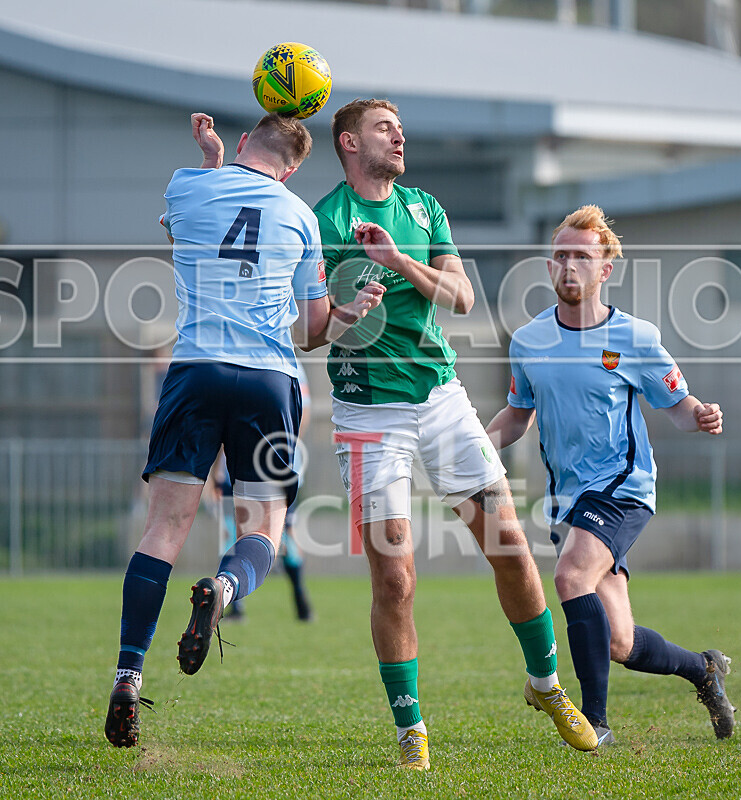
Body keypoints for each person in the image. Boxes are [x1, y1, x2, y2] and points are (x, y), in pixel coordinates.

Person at [192, 100, 598, 769]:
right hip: (366, 419)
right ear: (350, 142)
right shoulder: (320, 220)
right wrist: (344, 315)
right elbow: (306, 331)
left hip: (442, 401)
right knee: (395, 580)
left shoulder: (422, 207)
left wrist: (399, 264)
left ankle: (547, 687)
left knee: (510, 547)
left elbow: (463, 298)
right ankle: (412, 731)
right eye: (385, 128)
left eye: (399, 126)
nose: (400, 135)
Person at [104, 113, 384, 749]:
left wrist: (207, 162)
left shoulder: (187, 184)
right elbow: (311, 332)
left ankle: (127, 676)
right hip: (266, 378)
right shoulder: (301, 217)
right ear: (291, 169)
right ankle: (225, 588)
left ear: (237, 145)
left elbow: (194, 222)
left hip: (195, 369)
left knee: (165, 527)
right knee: (263, 530)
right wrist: (349, 311)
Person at [486, 205, 736, 745]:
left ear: (606, 269)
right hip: (568, 502)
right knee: (619, 641)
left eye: (581, 256)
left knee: (571, 578)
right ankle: (704, 670)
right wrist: (476, 447)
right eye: (559, 256)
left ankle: (594, 725)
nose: (568, 265)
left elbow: (677, 403)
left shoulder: (635, 336)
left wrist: (700, 415)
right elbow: (517, 414)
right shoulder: (529, 341)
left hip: (624, 489)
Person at [212, 360, 314, 622]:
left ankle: (299, 595)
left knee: (281, 532)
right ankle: (235, 602)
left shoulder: (285, 362)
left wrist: (281, 449)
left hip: (271, 465)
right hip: (247, 466)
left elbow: (302, 414)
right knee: (234, 530)